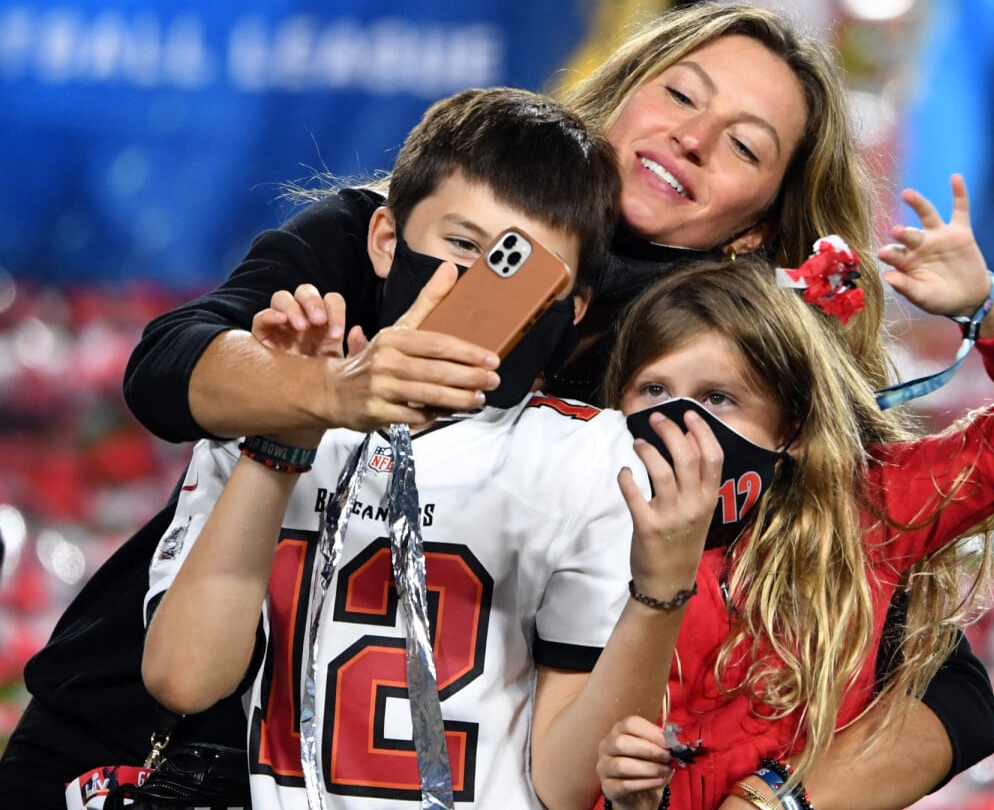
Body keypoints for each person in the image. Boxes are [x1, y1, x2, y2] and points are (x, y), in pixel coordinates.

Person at [1, 2, 994, 809]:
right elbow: (170, 365)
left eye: (741, 144)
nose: (689, 138)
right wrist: (321, 392)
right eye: (677, 93)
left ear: (761, 229)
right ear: (620, 93)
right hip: (148, 733)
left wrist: (781, 803)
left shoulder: (743, 381)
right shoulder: (405, 232)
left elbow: (948, 691)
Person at [138, 85, 724, 810]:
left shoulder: (589, 458)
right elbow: (183, 681)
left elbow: (566, 783)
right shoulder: (276, 388)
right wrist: (284, 437)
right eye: (461, 246)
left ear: (572, 308)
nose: (481, 285)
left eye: (521, 269)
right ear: (385, 240)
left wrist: (660, 592)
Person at [593, 177, 994, 809]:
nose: (678, 421)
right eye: (653, 391)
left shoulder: (867, 510)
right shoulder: (585, 523)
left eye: (718, 398)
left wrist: (989, 309)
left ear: (796, 430)